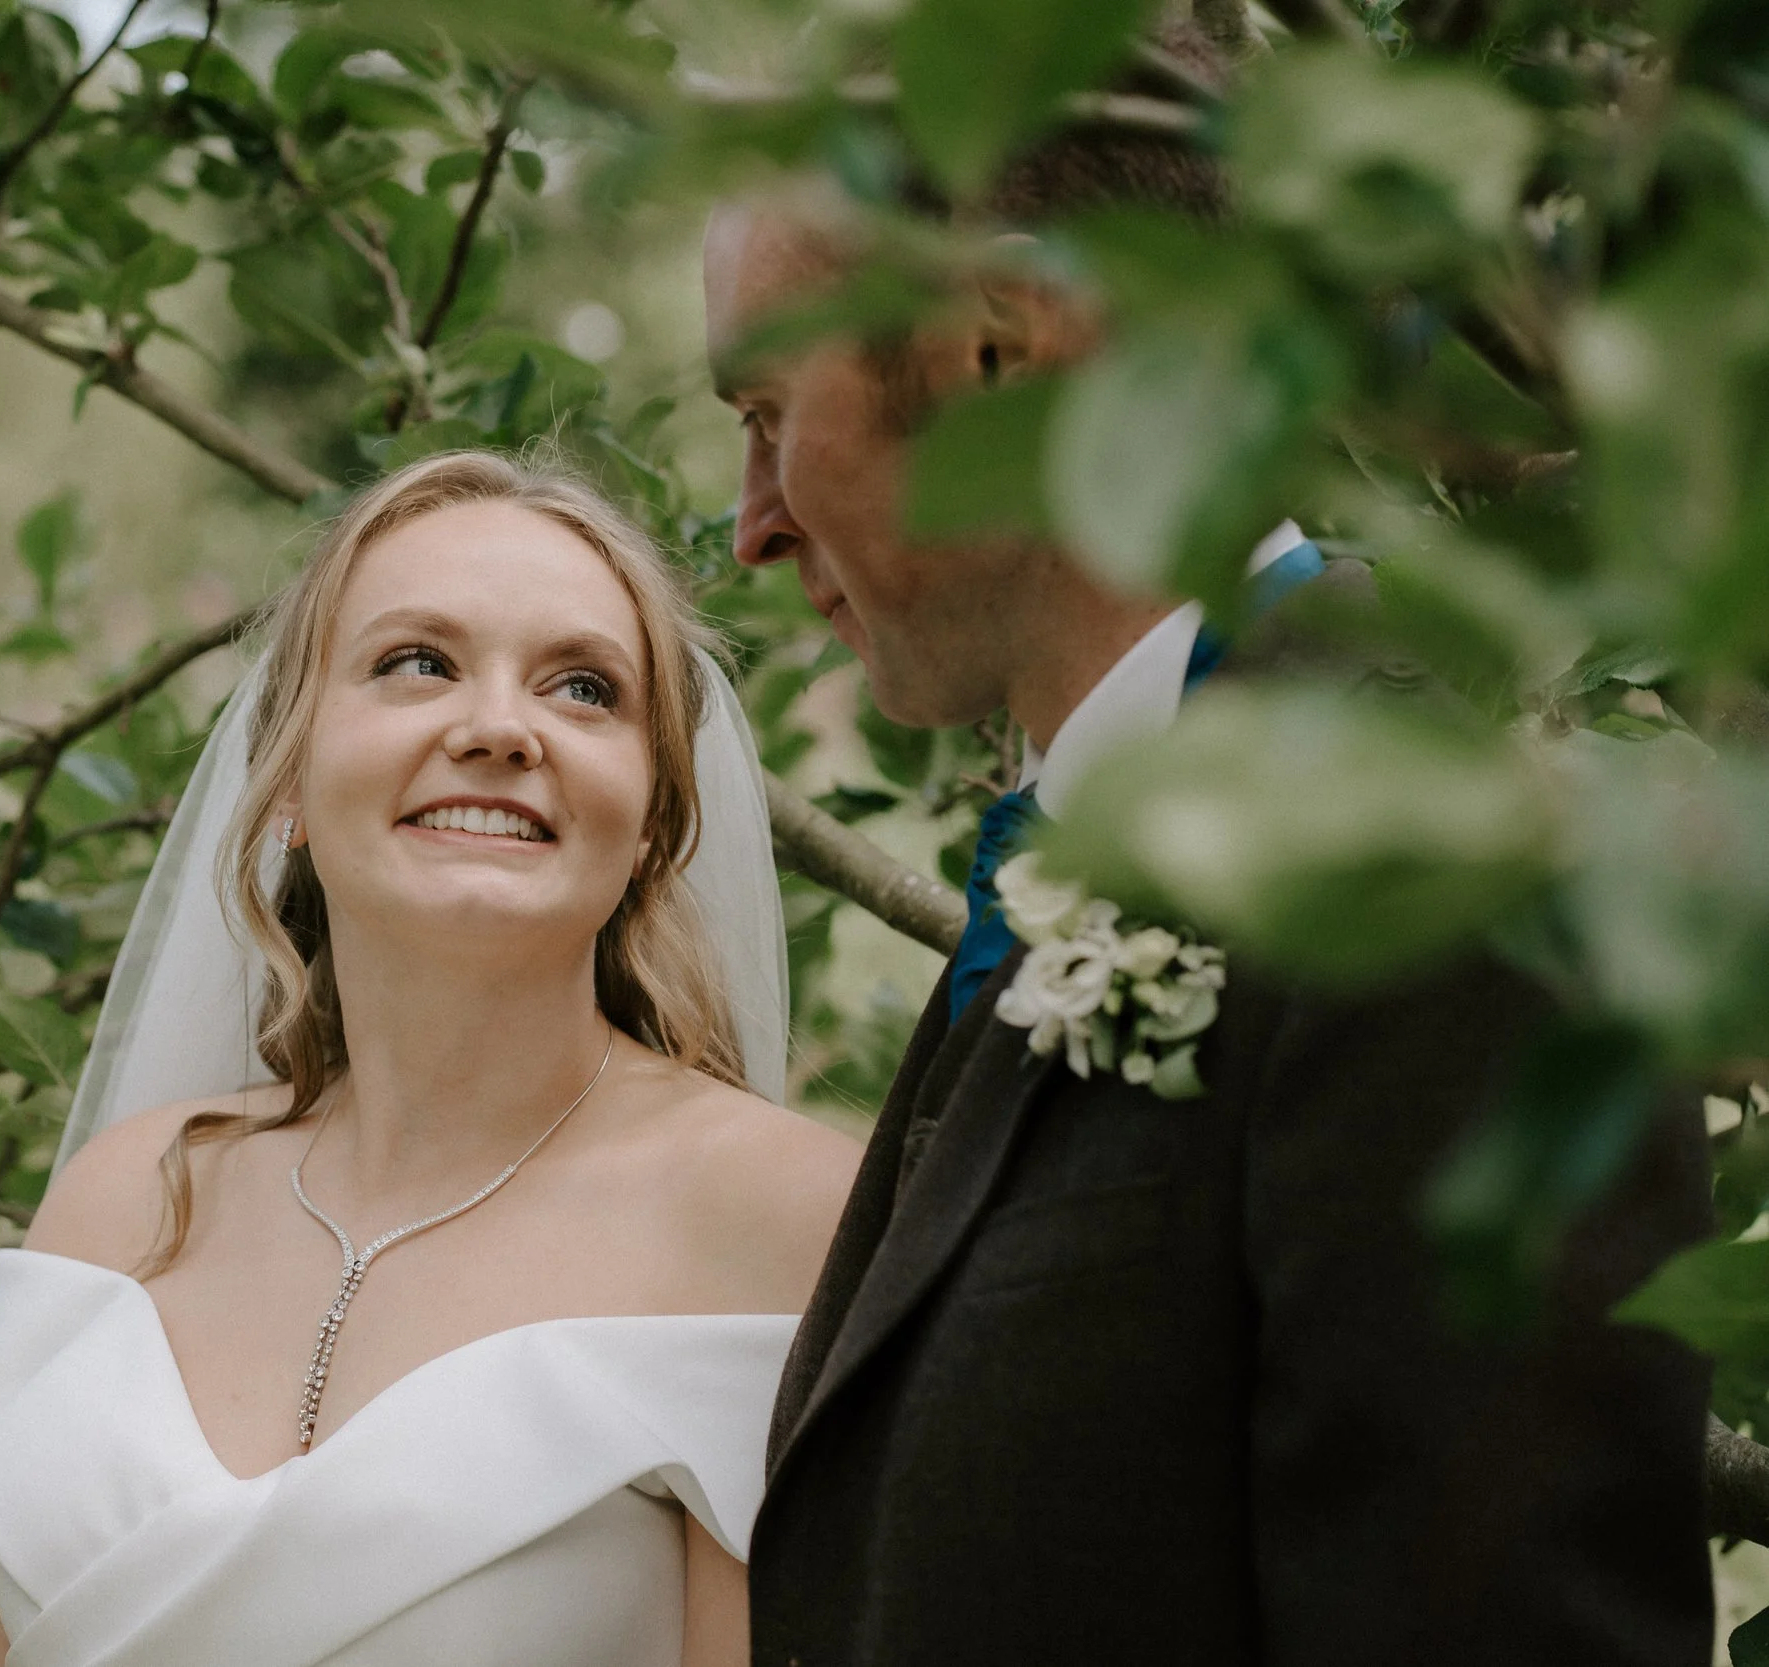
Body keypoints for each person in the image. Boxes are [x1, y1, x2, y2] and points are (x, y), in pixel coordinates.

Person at [705, 26, 1716, 1667]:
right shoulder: (1078, 864)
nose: (749, 520)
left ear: (996, 349)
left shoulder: (1446, 887)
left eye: (766, 409)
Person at [0, 450, 860, 1667]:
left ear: (654, 819)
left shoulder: (781, 1217)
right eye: (418, 662)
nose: (500, 727)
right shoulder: (120, 1201)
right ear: (289, 771)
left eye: (581, 688)